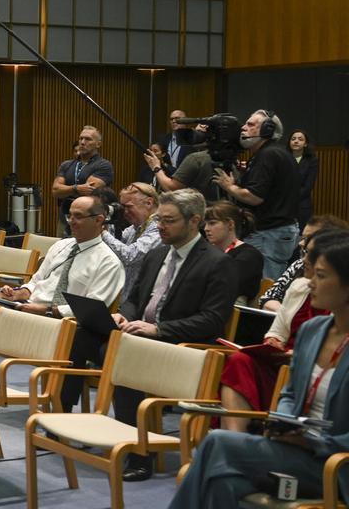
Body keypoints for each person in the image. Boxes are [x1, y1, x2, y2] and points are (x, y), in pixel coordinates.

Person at [60, 188, 234, 482]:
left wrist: (159, 329)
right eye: (159, 220)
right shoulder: (156, 254)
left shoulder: (217, 263)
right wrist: (123, 313)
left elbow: (213, 320)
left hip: (184, 347)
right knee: (80, 334)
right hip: (140, 336)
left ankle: (140, 453)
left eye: (169, 221)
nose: (160, 227)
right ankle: (61, 417)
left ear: (194, 221)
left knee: (125, 356)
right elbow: (135, 298)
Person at [168, 233, 349, 509]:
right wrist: (285, 423)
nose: (310, 281)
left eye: (321, 275)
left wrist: (313, 444)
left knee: (218, 442)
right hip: (292, 449)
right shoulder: (314, 331)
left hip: (334, 463)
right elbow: (289, 393)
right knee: (220, 482)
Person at [0, 195, 123, 402]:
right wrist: (19, 292)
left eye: (79, 217)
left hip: (59, 323)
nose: (72, 222)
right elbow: (37, 281)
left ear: (99, 220)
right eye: (70, 216)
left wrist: (47, 310)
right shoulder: (61, 246)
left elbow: (93, 310)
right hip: (29, 309)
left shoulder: (108, 261)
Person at [215, 230, 343, 432]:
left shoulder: (338, 319)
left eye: (312, 254)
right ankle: (235, 435)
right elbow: (277, 331)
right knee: (240, 360)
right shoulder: (299, 288)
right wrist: (272, 342)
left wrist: (299, 357)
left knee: (217, 446)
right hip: (281, 362)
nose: (305, 259)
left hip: (305, 377)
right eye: (304, 251)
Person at [214, 110, 301, 280]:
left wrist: (229, 186)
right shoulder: (273, 152)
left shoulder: (268, 155)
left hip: (269, 234)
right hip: (276, 231)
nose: (243, 128)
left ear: (267, 130)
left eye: (251, 124)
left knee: (264, 288)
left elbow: (254, 197)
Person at [262, 216, 349, 311]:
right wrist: (285, 313)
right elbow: (268, 297)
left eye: (309, 238)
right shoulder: (299, 264)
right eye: (303, 237)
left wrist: (288, 314)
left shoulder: (341, 272)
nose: (301, 243)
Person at [100, 183, 164, 300]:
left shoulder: (159, 227)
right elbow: (116, 246)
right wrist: (108, 223)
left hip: (145, 301)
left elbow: (130, 255)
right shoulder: (136, 227)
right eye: (122, 207)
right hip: (127, 298)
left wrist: (102, 233)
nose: (124, 212)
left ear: (149, 203)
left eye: (128, 207)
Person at [51, 126, 114, 236]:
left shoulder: (103, 165)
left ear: (98, 144)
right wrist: (76, 188)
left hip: (88, 219)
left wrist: (66, 189)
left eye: (88, 139)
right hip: (65, 217)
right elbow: (56, 191)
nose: (82, 142)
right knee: (63, 250)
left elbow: (89, 190)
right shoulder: (66, 164)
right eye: (81, 139)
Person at [204, 201, 265, 303]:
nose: (206, 229)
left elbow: (224, 286)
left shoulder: (250, 255)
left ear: (230, 224)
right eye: (205, 224)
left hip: (231, 309)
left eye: (212, 223)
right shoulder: (205, 251)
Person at [289, 129, 319, 230]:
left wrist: (290, 199)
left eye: (300, 139)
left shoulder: (312, 160)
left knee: (301, 236)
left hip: (302, 204)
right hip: (283, 206)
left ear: (305, 144)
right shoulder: (283, 158)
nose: (296, 141)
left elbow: (308, 186)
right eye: (293, 139)